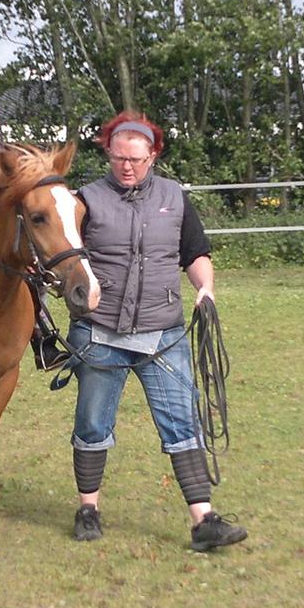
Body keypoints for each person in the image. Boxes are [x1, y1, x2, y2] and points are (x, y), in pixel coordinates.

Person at [64, 111, 248, 551]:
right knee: (92, 425)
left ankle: (203, 521)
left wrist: (206, 289)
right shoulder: (83, 200)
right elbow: (64, 257)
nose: (127, 166)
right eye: (118, 157)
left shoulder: (174, 197)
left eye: (137, 159)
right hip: (100, 333)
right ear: (108, 153)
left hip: (163, 333)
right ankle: (88, 508)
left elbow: (195, 253)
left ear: (154, 155)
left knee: (182, 422)